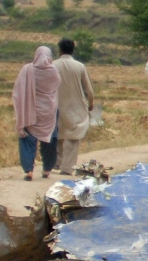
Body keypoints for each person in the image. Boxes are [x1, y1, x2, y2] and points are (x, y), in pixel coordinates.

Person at [12, 46, 60, 181]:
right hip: (49, 111)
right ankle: (47, 169)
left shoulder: (27, 69)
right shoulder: (53, 71)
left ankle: (29, 171)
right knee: (50, 139)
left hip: (30, 110)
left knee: (27, 139)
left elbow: (18, 90)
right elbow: (56, 86)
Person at [51, 37, 94, 175]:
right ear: (72, 50)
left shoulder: (52, 65)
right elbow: (89, 90)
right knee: (73, 136)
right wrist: (90, 103)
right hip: (76, 106)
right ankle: (67, 167)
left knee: (58, 133)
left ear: (60, 50)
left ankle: (56, 162)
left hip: (56, 104)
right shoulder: (79, 66)